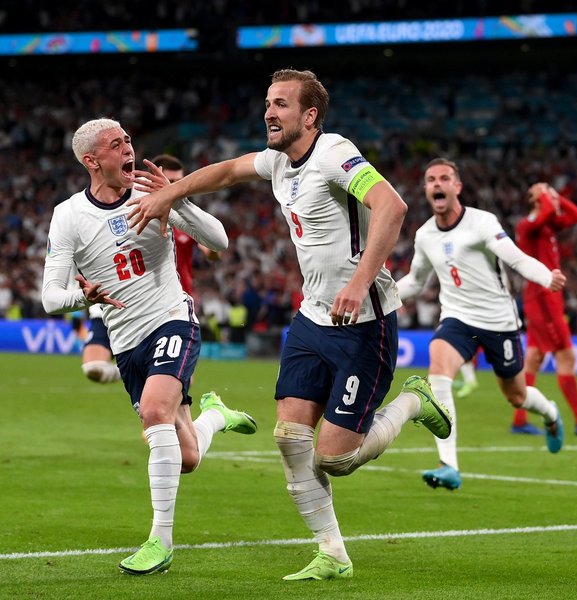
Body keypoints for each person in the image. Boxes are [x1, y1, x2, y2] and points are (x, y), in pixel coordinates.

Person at [127, 69, 452, 581]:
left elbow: (392, 206)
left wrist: (358, 280)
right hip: (312, 319)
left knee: (335, 460)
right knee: (289, 437)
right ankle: (333, 553)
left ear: (310, 116)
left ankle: (414, 400)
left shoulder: (336, 154)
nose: (269, 112)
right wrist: (170, 193)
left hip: (364, 321)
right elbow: (228, 171)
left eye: (280, 104)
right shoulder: (279, 161)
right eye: (267, 103)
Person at [41, 118, 257, 575]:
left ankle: (160, 541)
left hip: (171, 319)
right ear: (91, 161)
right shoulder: (68, 216)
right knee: (188, 458)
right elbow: (50, 297)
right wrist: (86, 297)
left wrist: (177, 197)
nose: (128, 149)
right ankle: (216, 415)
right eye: (115, 144)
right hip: (125, 341)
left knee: (157, 411)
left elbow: (218, 240)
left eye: (128, 141)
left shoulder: (151, 192)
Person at [396, 157, 566, 491]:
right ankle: (449, 465)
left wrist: (547, 277)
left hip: (499, 321)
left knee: (516, 396)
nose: (437, 184)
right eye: (431, 179)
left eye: (445, 178)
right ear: (426, 189)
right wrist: (372, 298)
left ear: (457, 187)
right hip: (457, 317)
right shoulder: (425, 235)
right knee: (438, 369)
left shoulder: (482, 222)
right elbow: (415, 282)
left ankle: (550, 413)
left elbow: (514, 257)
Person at [80, 153, 220, 386]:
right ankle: (138, 373)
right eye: (170, 180)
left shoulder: (184, 215)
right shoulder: (129, 208)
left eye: (179, 182)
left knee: (178, 389)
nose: (174, 187)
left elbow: (213, 251)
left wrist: (208, 241)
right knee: (94, 368)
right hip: (124, 301)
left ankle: (211, 417)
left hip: (170, 306)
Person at [510, 182, 577, 436]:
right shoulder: (528, 226)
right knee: (566, 356)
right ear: (536, 199)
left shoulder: (545, 225)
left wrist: (554, 194)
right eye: (548, 193)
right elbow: (549, 211)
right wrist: (545, 194)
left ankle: (519, 421)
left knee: (534, 359)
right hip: (542, 298)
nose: (553, 197)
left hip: (546, 298)